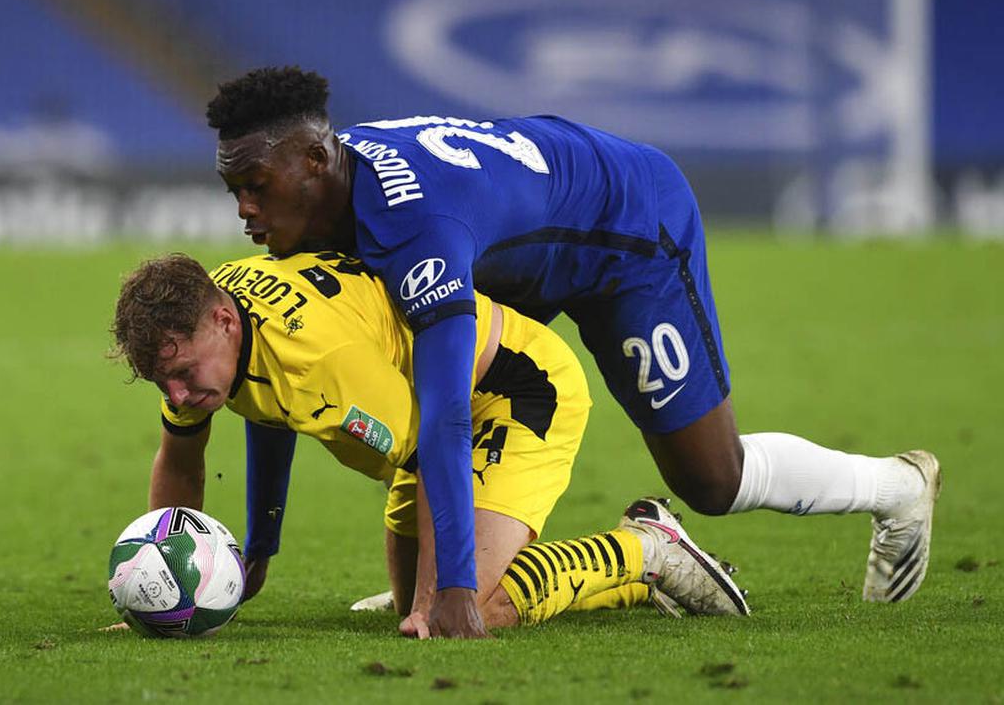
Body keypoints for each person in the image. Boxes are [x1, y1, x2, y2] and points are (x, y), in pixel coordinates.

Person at [202, 66, 941, 638]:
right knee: (404, 363)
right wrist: (261, 543)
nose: (243, 208)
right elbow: (277, 374)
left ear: (312, 159)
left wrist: (458, 589)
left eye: (255, 185)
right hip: (520, 240)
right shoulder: (328, 199)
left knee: (712, 480)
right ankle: (445, 574)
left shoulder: (415, 226)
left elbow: (446, 415)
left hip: (628, 234)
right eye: (233, 187)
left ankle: (895, 488)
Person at [109, 251, 750, 636]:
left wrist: (440, 599)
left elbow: (431, 455)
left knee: (471, 607)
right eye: (161, 379)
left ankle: (642, 553)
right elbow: (230, 432)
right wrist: (255, 550)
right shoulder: (216, 321)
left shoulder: (321, 363)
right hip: (426, 414)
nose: (177, 393)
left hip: (514, 393)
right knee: (426, 592)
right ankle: (452, 579)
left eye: (185, 374)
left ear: (223, 320)